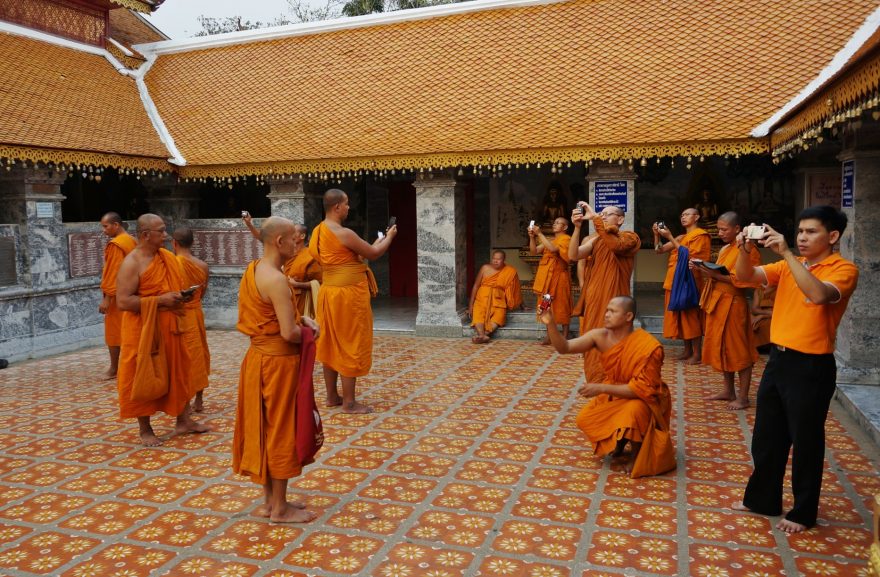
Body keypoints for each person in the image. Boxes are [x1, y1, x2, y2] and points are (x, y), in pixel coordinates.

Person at [732, 206, 858, 534]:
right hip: (779, 360)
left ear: (832, 237)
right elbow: (746, 277)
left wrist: (786, 253)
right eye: (800, 232)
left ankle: (803, 511)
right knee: (766, 436)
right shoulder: (791, 265)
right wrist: (747, 248)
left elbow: (818, 295)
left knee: (806, 440)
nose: (802, 238)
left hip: (811, 366)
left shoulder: (843, 269)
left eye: (811, 232)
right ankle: (763, 499)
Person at [233, 216, 320, 523]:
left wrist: (301, 321)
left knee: (266, 425)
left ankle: (271, 501)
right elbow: (288, 334)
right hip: (279, 363)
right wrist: (311, 331)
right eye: (295, 238)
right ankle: (280, 510)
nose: (299, 242)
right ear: (279, 242)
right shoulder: (277, 279)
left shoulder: (256, 269)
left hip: (258, 359)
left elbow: (281, 321)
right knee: (282, 428)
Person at [540, 296, 673, 477]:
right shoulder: (599, 336)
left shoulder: (648, 346)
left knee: (633, 411)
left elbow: (642, 389)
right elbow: (564, 347)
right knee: (585, 418)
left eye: (613, 311)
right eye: (607, 310)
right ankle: (618, 442)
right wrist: (550, 323)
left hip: (643, 397)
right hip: (615, 390)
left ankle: (637, 454)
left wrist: (601, 388)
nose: (607, 315)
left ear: (628, 316)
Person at [115, 214, 211, 446]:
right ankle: (145, 429)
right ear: (146, 234)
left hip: (172, 325)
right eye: (161, 231)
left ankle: (183, 420)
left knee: (179, 371)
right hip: (144, 329)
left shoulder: (167, 257)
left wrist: (178, 296)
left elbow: (171, 289)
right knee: (141, 374)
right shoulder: (132, 262)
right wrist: (160, 300)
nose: (166, 236)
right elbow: (123, 302)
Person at [310, 189, 397, 414]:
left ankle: (331, 396)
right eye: (347, 204)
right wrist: (389, 238)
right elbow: (374, 254)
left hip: (328, 293)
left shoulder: (318, 231)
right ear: (337, 207)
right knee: (350, 341)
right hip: (347, 295)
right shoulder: (342, 232)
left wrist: (377, 241)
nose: (349, 208)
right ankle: (349, 402)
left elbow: (350, 255)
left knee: (330, 342)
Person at [568, 203, 641, 381]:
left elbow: (615, 246)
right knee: (595, 341)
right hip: (594, 298)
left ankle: (613, 382)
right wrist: (577, 229)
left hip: (615, 300)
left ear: (621, 219)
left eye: (609, 214)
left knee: (613, 339)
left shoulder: (630, 237)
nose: (604, 216)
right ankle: (596, 382)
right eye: (602, 213)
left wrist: (595, 218)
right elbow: (573, 255)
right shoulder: (596, 239)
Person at [696, 212, 761, 410]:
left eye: (724, 229)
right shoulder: (724, 248)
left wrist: (713, 275)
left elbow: (746, 280)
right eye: (719, 228)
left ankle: (743, 397)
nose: (720, 232)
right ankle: (728, 390)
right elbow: (720, 271)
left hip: (734, 304)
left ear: (737, 229)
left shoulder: (749, 250)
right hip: (718, 303)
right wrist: (705, 270)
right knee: (723, 348)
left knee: (739, 350)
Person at [654, 208, 711, 363]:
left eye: (687, 214)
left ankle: (697, 354)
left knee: (691, 317)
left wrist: (671, 237)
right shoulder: (681, 237)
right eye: (682, 215)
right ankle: (687, 350)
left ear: (697, 217)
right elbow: (658, 250)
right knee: (680, 317)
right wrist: (657, 235)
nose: (683, 217)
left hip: (689, 281)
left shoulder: (701, 236)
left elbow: (691, 256)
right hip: (673, 281)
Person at [245, 213, 322, 316]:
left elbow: (320, 283)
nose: (291, 234)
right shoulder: (287, 252)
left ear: (302, 236)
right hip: (284, 297)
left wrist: (298, 284)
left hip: (302, 302)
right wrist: (250, 224)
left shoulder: (310, 256)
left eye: (294, 232)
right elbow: (266, 240)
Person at [172, 226, 211, 413]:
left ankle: (183, 399)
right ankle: (199, 400)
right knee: (199, 355)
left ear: (174, 243)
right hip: (196, 312)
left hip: (179, 314)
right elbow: (202, 292)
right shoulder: (202, 265)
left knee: (182, 357)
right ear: (193, 242)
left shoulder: (172, 263)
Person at [98, 212, 136, 379]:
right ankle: (130, 367)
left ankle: (114, 368)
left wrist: (107, 298)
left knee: (113, 333)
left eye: (105, 226)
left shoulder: (117, 244)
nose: (104, 230)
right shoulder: (132, 240)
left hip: (117, 296)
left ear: (116, 225)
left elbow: (114, 272)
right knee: (130, 331)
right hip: (131, 293)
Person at [529, 217, 572, 343]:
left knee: (562, 305)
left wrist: (540, 234)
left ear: (565, 227)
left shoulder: (566, 239)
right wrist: (532, 237)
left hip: (559, 278)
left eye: (558, 223)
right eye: (554, 222)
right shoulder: (551, 240)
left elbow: (553, 250)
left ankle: (564, 334)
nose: (554, 224)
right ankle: (550, 335)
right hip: (547, 280)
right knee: (546, 305)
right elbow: (534, 251)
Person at [468, 249, 523, 343]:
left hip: (498, 299)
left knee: (499, 317)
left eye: (498, 259)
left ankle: (482, 336)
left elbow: (516, 290)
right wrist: (470, 305)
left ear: (504, 260)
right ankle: (482, 335)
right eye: (494, 258)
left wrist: (522, 304)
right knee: (478, 315)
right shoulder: (485, 268)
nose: (495, 261)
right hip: (482, 297)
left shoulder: (510, 271)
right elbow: (476, 286)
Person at [750, 284, 776, 353]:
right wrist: (762, 314)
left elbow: (780, 311)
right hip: (763, 314)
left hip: (776, 315)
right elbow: (754, 309)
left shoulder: (780, 288)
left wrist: (762, 316)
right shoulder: (759, 290)